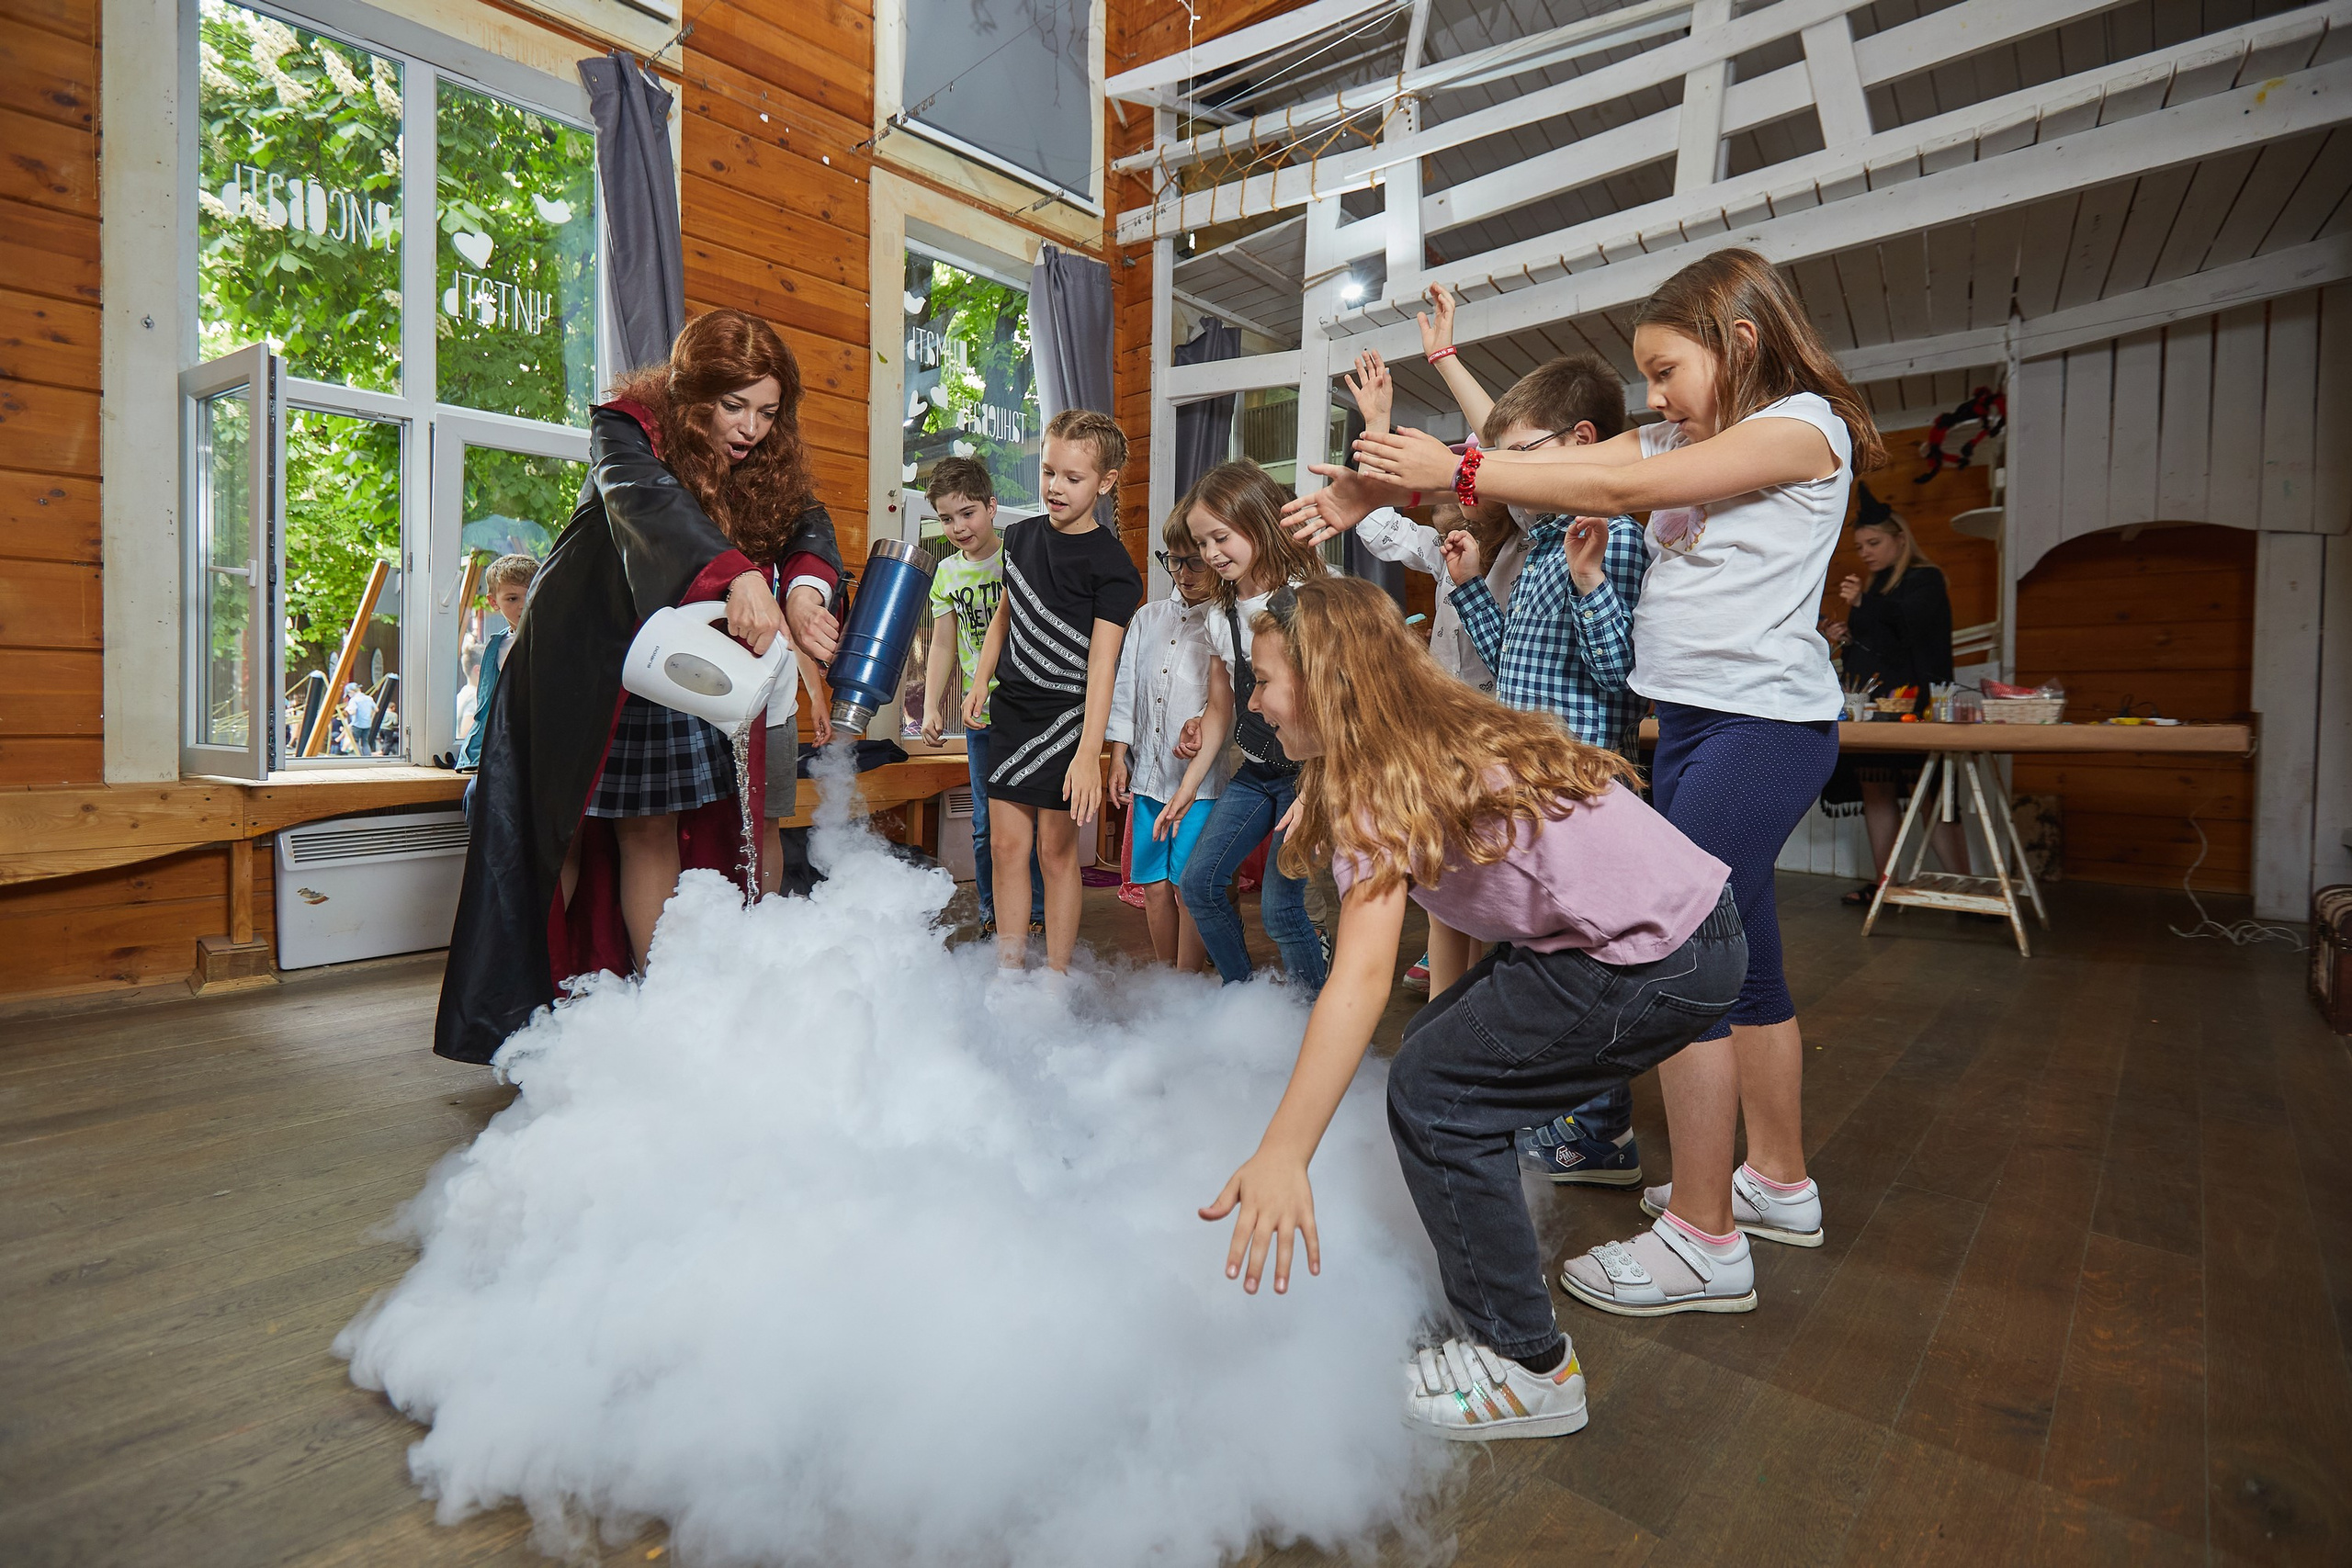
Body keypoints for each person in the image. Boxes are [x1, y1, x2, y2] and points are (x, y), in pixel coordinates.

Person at [1327, 245, 1885, 1309]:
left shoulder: (1798, 428)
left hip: (1759, 723)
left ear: (1742, 342)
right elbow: (1546, 463)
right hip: (1698, 723)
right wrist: (1406, 474)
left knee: (1675, 952)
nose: (1656, 394)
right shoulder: (1693, 427)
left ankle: (1704, 1240)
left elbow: (1612, 480)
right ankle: (1775, 1179)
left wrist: (1453, 472)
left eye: (1667, 368)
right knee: (1748, 964)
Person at [1200, 577, 1744, 1439]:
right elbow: (1475, 911)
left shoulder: (1381, 782)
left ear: (1328, 683)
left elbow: (1361, 976)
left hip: (1658, 956)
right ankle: (1497, 1272)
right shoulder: (1425, 738)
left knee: (1435, 1088)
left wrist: (1283, 1153)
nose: (1256, 704)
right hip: (1684, 932)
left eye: (1264, 681)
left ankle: (1530, 1367)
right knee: (1440, 1061)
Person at [435, 309, 844, 1065]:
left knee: (720, 826)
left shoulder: (763, 454)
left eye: (766, 411)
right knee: (632, 831)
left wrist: (806, 590)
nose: (751, 427)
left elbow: (806, 524)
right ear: (694, 393)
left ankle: (718, 1000)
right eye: (734, 406)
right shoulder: (626, 428)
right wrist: (739, 575)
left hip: (685, 663)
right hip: (599, 665)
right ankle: (642, 1014)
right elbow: (654, 508)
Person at [1300, 338, 1653, 1190]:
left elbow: (1618, 675)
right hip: (1525, 774)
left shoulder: (1614, 534)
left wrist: (1594, 583)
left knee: (1586, 957)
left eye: (1516, 454)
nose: (1500, 471)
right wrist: (1461, 587)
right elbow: (1506, 662)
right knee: (1539, 954)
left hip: (1580, 780)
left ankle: (1600, 1131)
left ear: (1579, 442)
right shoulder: (1533, 550)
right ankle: (1549, 1109)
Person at [961, 410, 1142, 975]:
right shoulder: (1018, 537)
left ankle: (1056, 980)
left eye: (1072, 477)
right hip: (1013, 710)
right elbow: (1004, 617)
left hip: (1069, 720)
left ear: (1105, 482)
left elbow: (1105, 668)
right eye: (1048, 472)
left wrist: (1092, 753)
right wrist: (981, 677)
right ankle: (1009, 973)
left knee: (1054, 853)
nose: (1055, 488)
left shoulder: (1114, 567)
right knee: (1007, 848)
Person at [1165, 460, 1331, 993]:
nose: (1212, 553)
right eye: (1201, 543)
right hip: (1257, 770)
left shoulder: (1308, 599)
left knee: (1284, 909)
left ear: (1259, 524)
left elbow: (1335, 704)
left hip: (1311, 774)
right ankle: (1247, 1002)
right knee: (1199, 884)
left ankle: (1312, 1015)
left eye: (1221, 537)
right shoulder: (1221, 614)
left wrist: (1316, 787)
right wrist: (1189, 787)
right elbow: (1220, 707)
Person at [1820, 491, 1968, 902]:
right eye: (1859, 547)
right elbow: (1880, 650)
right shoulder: (1878, 586)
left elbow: (1913, 628)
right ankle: (1887, 884)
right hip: (1876, 713)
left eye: (1874, 543)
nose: (1865, 553)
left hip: (1918, 710)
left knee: (1931, 798)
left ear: (1900, 540)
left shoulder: (1925, 579)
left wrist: (1865, 604)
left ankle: (1965, 886)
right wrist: (1847, 637)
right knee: (1877, 791)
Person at [918, 457, 1044, 938]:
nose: (958, 527)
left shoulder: (1019, 555)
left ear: (992, 507)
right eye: (947, 518)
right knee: (986, 824)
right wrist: (931, 705)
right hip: (981, 720)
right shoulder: (947, 574)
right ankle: (994, 913)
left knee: (1030, 820)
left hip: (1029, 712)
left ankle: (1034, 912)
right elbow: (945, 644)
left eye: (967, 512)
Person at [1106, 504, 1228, 971]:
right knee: (1154, 885)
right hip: (1148, 781)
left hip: (1198, 787)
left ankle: (1189, 976)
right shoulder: (1148, 618)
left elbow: (1226, 698)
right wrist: (1119, 756)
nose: (1182, 573)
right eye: (1172, 561)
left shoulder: (1223, 623)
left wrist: (1198, 719)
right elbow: (1125, 692)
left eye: (1193, 561)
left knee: (1187, 885)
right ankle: (1168, 979)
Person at [457, 554, 537, 771]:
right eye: (513, 599)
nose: (524, 605)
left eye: (532, 595)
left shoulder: (554, 639)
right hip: (505, 746)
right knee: (475, 794)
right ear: (494, 602)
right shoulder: (495, 648)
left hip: (541, 746)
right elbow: (487, 707)